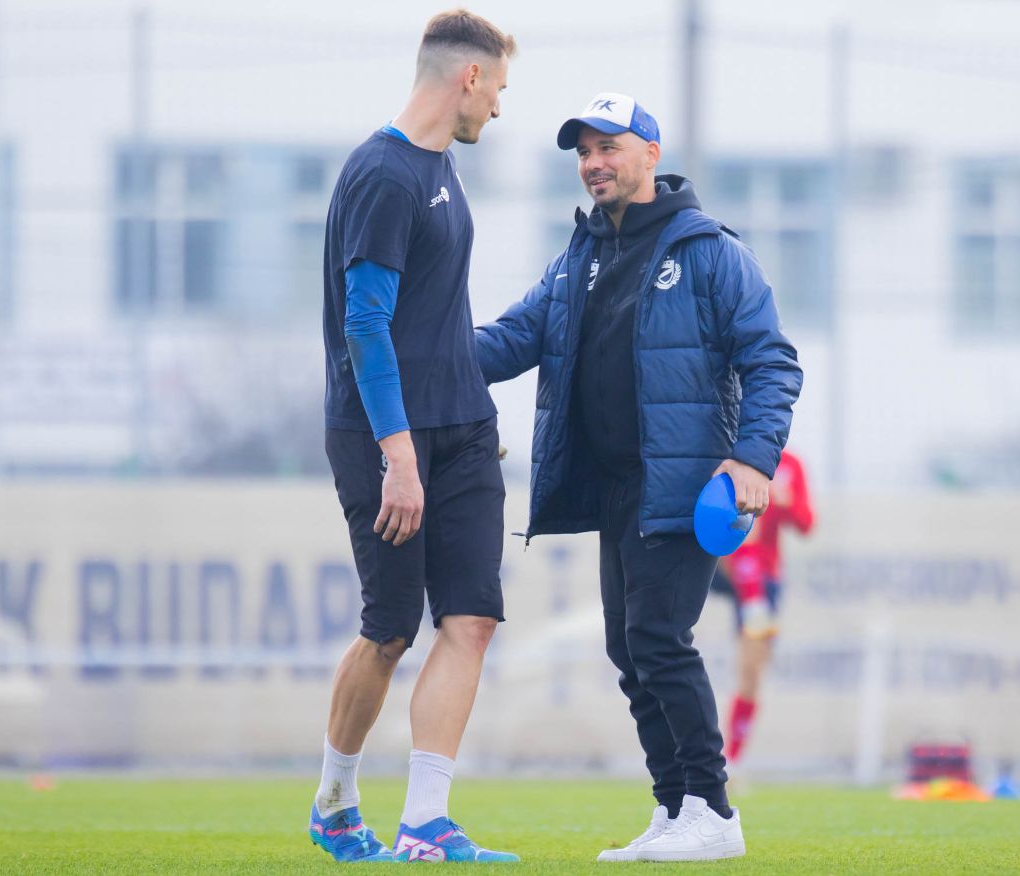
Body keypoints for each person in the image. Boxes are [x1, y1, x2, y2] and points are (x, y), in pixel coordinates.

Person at [475, 93, 802, 863]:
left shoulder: (710, 251)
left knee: (658, 639)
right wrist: (423, 356)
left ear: (651, 154)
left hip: (685, 486)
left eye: (609, 147)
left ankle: (713, 812)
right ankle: (676, 805)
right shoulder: (579, 259)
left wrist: (753, 459)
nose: (593, 164)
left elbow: (772, 361)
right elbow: (513, 337)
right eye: (584, 152)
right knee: (630, 650)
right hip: (617, 488)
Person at [312, 9, 518, 864]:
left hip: (462, 429)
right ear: (468, 77)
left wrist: (465, 400)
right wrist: (398, 454)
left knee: (472, 619)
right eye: (497, 88)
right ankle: (334, 803)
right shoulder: (384, 175)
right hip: (384, 437)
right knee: (391, 628)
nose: (499, 107)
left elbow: (436, 315)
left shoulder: (441, 168)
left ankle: (425, 822)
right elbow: (366, 325)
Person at [709, 448, 813, 769]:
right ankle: (753, 603)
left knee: (751, 672)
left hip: (764, 577)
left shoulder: (791, 465)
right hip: (722, 563)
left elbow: (806, 523)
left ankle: (732, 759)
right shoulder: (725, 453)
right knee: (744, 524)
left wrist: (784, 501)